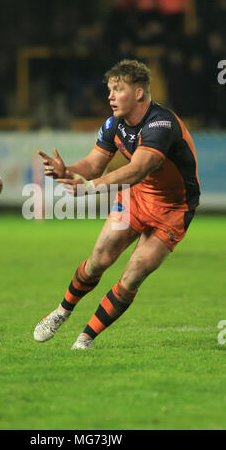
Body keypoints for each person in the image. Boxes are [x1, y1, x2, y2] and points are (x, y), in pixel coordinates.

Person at [34, 59, 200, 350]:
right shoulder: (113, 125)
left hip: (174, 209)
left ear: (138, 92)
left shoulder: (161, 124)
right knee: (99, 259)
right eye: (109, 90)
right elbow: (93, 165)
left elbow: (138, 169)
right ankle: (62, 311)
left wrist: (90, 188)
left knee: (134, 273)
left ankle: (85, 339)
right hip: (136, 197)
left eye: (117, 89)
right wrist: (68, 171)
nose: (109, 96)